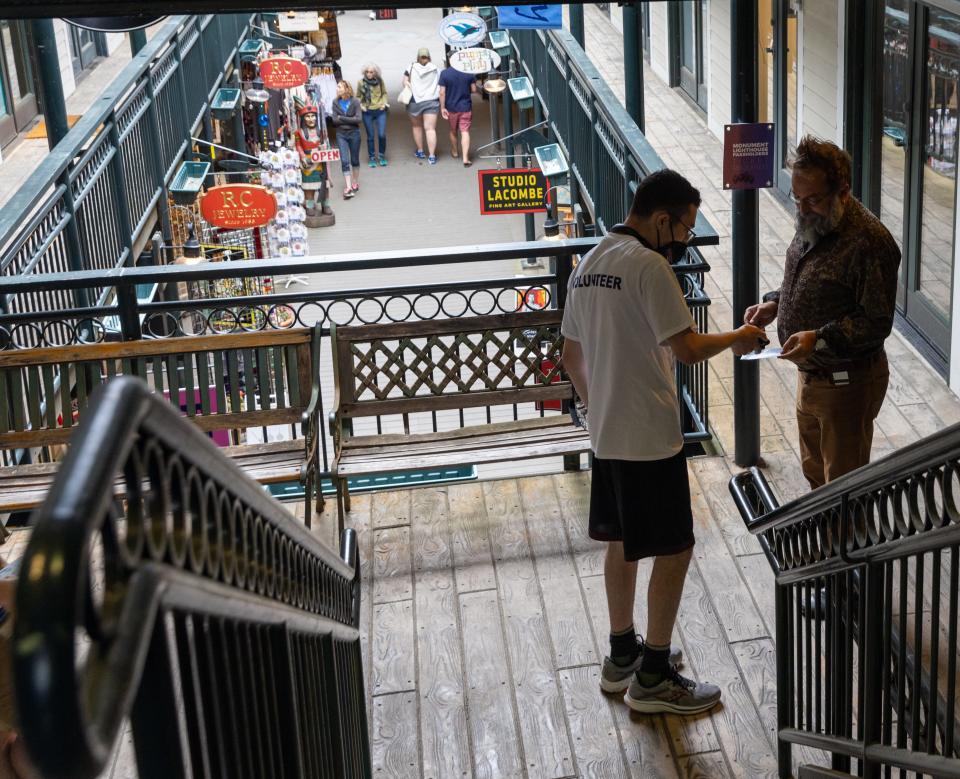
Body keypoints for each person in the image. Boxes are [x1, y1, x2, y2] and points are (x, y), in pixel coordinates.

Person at [561, 169, 765, 715]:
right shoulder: (651, 267)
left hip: (606, 433)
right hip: (650, 435)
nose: (684, 242)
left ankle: (620, 654)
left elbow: (570, 356)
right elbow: (690, 347)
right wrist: (742, 337)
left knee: (620, 542)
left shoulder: (590, 262)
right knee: (675, 548)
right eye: (685, 229)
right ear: (661, 219)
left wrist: (593, 406)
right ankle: (653, 676)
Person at [743, 136, 901, 489]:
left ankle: (844, 544)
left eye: (812, 199)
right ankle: (823, 543)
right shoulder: (818, 220)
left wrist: (818, 338)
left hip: (846, 384)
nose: (801, 209)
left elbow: (876, 322)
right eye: (797, 199)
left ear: (842, 192)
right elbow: (810, 280)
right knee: (817, 478)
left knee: (842, 491)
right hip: (812, 377)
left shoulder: (869, 243)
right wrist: (775, 303)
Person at [294, 102, 333, 217]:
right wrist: (303, 157)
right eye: (307, 116)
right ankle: (310, 205)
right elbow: (298, 145)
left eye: (313, 116)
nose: (311, 119)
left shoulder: (322, 132)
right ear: (303, 118)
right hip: (308, 163)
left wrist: (325, 147)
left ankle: (326, 204)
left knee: (324, 186)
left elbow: (327, 144)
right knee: (309, 187)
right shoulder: (299, 133)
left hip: (321, 163)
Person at [402, 48, 441, 164]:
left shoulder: (411, 67)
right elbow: (441, 84)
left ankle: (420, 151)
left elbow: (404, 81)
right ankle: (432, 156)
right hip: (432, 101)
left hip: (415, 101)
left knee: (417, 127)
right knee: (430, 129)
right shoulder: (436, 69)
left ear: (417, 57)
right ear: (429, 57)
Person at [438, 60, 478, 167]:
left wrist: (442, 108)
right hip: (465, 107)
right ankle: (465, 158)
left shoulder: (445, 73)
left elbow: (442, 92)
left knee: (453, 130)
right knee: (465, 131)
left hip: (451, 108)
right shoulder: (468, 72)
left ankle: (455, 152)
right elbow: (474, 90)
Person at [331, 80, 363, 199]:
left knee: (354, 159)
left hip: (354, 133)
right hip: (341, 134)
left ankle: (355, 181)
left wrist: (342, 118)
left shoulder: (355, 102)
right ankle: (348, 186)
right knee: (344, 160)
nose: (337, 89)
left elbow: (358, 119)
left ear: (346, 88)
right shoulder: (335, 102)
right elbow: (334, 120)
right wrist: (350, 118)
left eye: (339, 87)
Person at [357, 63, 389, 168]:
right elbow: (358, 97)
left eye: (371, 72)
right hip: (367, 112)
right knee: (370, 136)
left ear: (375, 72)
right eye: (367, 72)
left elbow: (384, 93)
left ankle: (381, 155)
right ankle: (371, 157)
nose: (369, 74)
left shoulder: (380, 81)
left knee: (381, 135)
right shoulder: (361, 83)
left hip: (380, 110)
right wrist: (361, 106)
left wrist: (384, 104)